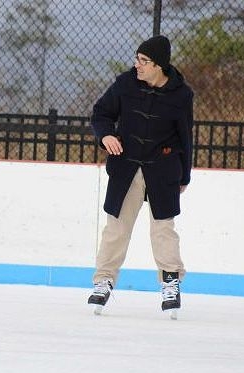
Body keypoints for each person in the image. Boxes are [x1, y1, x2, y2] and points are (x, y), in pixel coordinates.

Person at [87, 35, 194, 319]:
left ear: (159, 65)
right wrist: (106, 135)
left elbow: (186, 137)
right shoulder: (125, 84)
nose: (137, 65)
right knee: (117, 227)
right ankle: (103, 281)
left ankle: (171, 281)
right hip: (126, 168)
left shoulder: (182, 95)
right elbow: (101, 114)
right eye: (137, 59)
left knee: (163, 229)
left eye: (143, 61)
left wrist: (185, 175)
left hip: (164, 169)